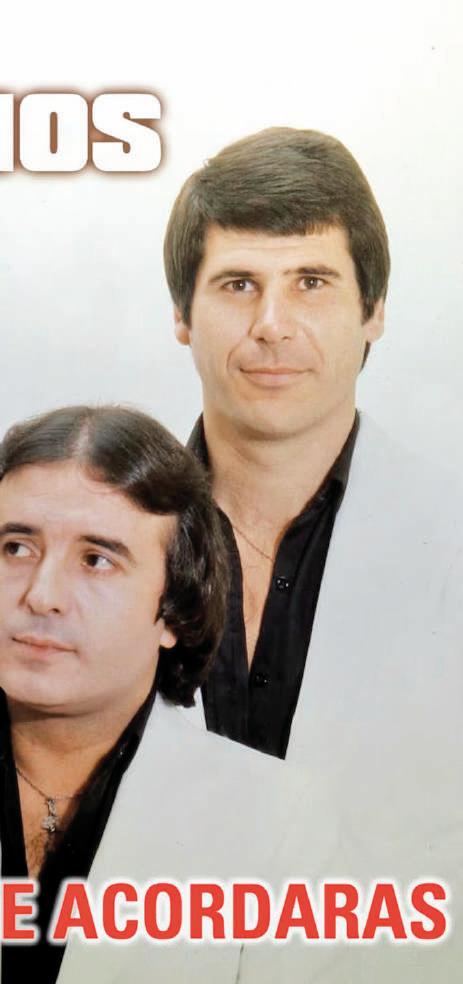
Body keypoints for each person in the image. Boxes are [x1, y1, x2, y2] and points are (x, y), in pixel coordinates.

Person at [163, 128, 463, 980]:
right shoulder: (74, 550)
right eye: (237, 284)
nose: (271, 325)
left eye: (311, 281)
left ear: (373, 309)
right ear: (182, 316)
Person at [0, 404, 309, 984]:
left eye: (96, 560)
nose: (41, 596)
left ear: (174, 610)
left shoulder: (280, 820)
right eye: (16, 547)